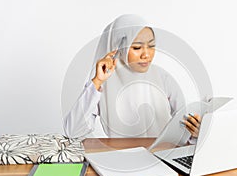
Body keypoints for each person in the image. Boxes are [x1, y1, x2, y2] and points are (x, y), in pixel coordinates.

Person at [64, 14, 201, 144]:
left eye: (151, 46)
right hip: (122, 158)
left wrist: (196, 132)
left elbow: (185, 129)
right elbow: (73, 132)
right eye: (137, 47)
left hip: (161, 156)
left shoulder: (163, 78)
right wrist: (97, 82)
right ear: (118, 48)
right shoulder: (103, 83)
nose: (146, 54)